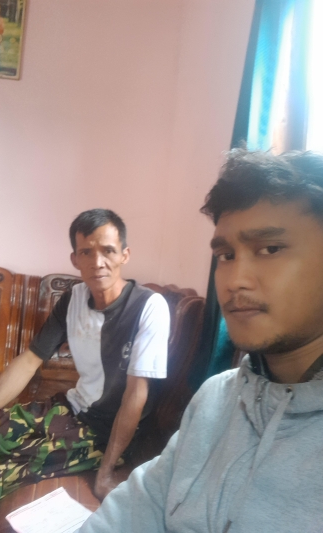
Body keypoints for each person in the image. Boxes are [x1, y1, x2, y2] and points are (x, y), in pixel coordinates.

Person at [77, 149, 323, 533]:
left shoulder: (146, 307)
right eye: (226, 255)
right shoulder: (215, 397)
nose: (235, 280)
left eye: (270, 249)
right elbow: (142, 502)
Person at [0, 209, 170, 533]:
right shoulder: (73, 300)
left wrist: (107, 471)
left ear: (125, 254)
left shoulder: (149, 307)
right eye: (87, 252)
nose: (98, 262)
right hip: (72, 409)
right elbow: (29, 360)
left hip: (108, 432)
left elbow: (136, 395)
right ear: (74, 259)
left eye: (108, 251)